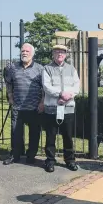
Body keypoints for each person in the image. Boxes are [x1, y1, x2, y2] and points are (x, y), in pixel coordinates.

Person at [3, 43, 44, 165]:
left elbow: (45, 88)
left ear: (32, 54)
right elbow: (8, 82)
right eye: (22, 51)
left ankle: (31, 156)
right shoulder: (12, 68)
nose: (24, 53)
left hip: (34, 108)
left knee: (34, 133)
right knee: (16, 132)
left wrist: (42, 102)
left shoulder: (40, 69)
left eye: (27, 51)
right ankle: (15, 155)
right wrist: (10, 96)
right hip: (17, 107)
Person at [42, 44, 80, 173]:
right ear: (53, 53)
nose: (60, 54)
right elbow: (46, 86)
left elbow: (77, 87)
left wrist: (67, 96)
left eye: (62, 52)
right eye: (57, 51)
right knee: (50, 136)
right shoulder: (47, 68)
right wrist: (60, 93)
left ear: (66, 54)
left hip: (68, 107)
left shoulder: (72, 69)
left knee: (68, 136)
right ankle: (50, 161)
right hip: (52, 108)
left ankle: (70, 160)